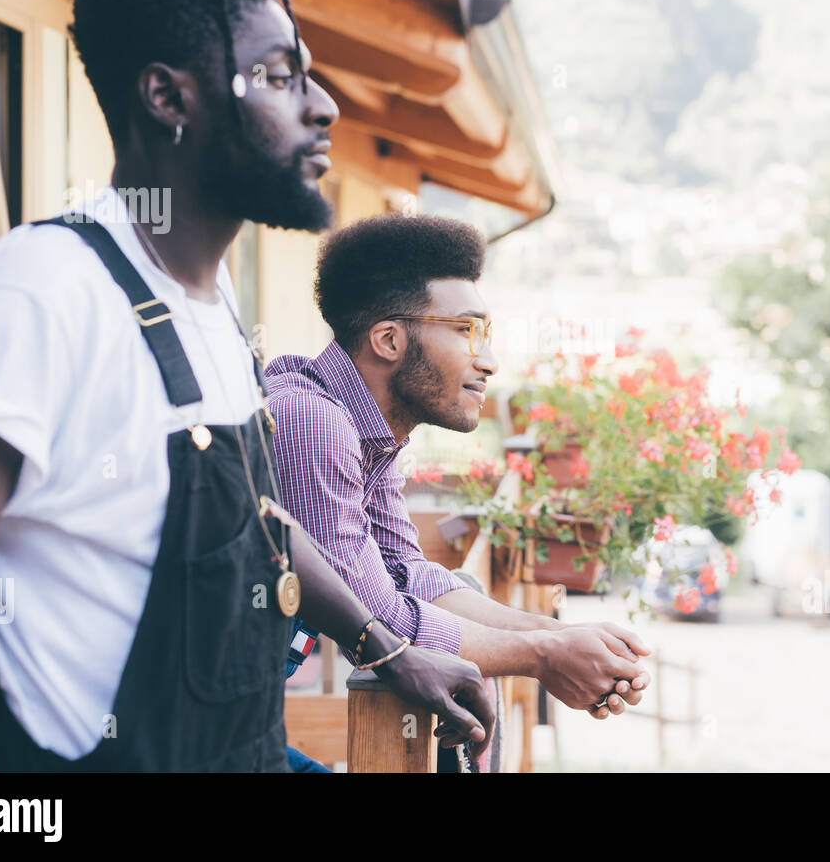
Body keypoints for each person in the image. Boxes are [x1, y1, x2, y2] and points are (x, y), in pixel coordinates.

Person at [0, 0, 491, 772]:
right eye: (280, 74)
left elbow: (257, 521)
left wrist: (389, 648)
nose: (323, 105)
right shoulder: (40, 295)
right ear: (168, 96)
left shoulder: (211, 304)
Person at [268, 213, 652, 772]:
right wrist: (544, 656)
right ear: (390, 339)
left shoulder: (361, 428)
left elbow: (408, 575)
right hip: (169, 733)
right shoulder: (311, 421)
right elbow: (382, 618)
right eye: (468, 330)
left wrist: (560, 633)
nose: (489, 361)